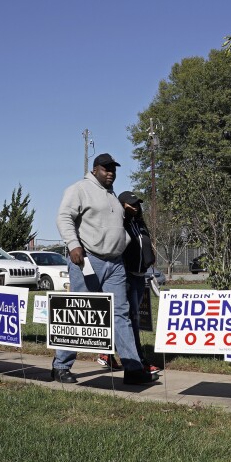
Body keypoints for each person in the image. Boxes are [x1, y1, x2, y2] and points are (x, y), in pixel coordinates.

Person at [53, 153, 158, 385]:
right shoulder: (79, 189)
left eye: (113, 169)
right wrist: (73, 245)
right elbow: (63, 217)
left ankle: (132, 368)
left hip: (115, 263)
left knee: (121, 315)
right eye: (106, 168)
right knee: (78, 313)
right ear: (95, 169)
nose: (110, 172)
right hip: (87, 260)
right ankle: (60, 365)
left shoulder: (111, 196)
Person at [97, 190, 161, 375]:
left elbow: (144, 244)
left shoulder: (139, 223)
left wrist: (150, 258)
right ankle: (138, 361)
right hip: (125, 277)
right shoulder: (120, 224)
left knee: (130, 318)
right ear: (121, 205)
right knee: (129, 318)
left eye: (137, 204)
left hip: (140, 275)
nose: (135, 206)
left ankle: (108, 354)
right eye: (131, 204)